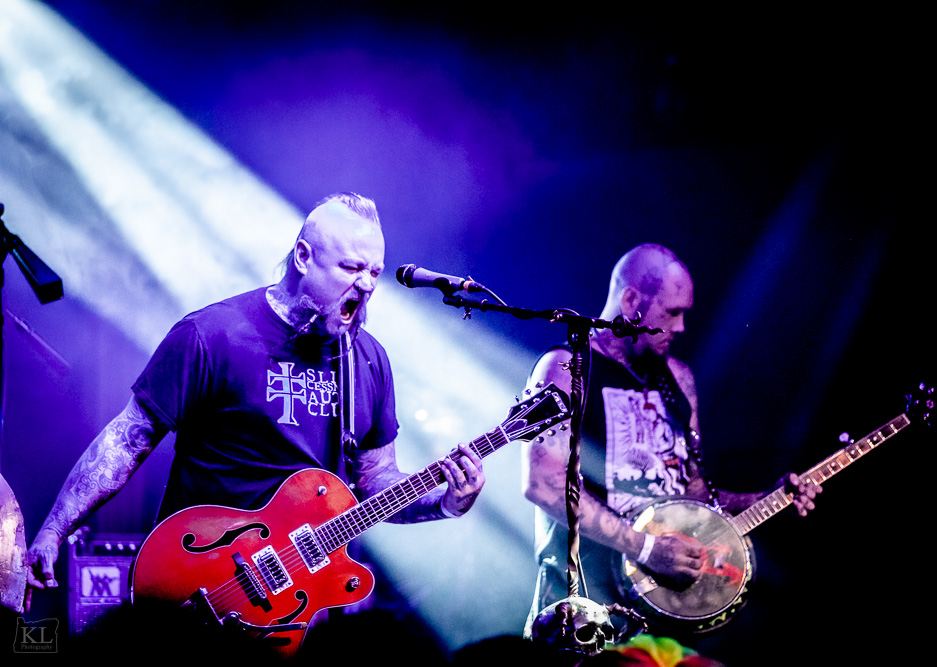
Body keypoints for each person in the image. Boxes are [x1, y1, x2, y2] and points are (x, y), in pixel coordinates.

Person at [24, 193, 486, 622]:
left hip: (297, 608)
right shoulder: (213, 335)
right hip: (199, 581)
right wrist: (52, 531)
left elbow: (375, 481)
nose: (365, 285)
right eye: (351, 267)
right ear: (304, 257)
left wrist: (444, 503)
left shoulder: (368, 360)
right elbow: (126, 442)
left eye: (375, 273)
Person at [521, 243, 821, 658]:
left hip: (660, 628)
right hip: (578, 624)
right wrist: (646, 548)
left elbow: (692, 492)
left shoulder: (677, 379)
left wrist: (760, 500)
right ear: (630, 301)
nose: (680, 328)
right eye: (671, 312)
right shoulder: (565, 368)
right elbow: (544, 485)